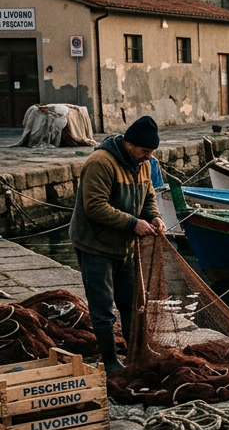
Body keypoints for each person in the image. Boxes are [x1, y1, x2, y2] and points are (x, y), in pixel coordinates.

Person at [69, 115, 165, 372]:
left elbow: (148, 196)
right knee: (102, 306)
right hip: (95, 245)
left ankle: (134, 353)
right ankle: (110, 360)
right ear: (129, 144)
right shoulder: (100, 163)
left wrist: (153, 216)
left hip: (125, 247)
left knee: (130, 302)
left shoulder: (144, 164)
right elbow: (95, 206)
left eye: (151, 152)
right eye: (145, 151)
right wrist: (133, 223)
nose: (148, 157)